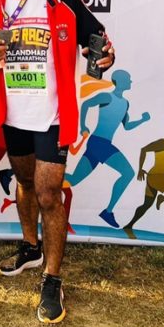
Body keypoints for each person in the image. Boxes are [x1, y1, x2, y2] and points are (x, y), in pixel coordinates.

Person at [0, 0, 115, 324]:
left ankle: (52, 278)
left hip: (53, 117)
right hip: (13, 116)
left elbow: (100, 41)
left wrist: (106, 56)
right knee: (23, 183)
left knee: (49, 195)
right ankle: (30, 246)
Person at [64, 69, 150, 228]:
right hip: (99, 143)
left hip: (101, 145)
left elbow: (127, 126)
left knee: (74, 179)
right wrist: (83, 126)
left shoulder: (125, 103)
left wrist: (142, 120)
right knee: (128, 173)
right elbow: (86, 104)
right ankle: (108, 211)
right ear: (120, 80)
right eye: (128, 78)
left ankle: (35, 177)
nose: (131, 81)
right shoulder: (106, 96)